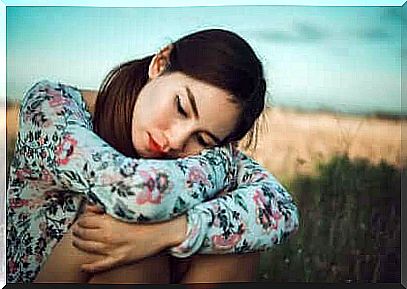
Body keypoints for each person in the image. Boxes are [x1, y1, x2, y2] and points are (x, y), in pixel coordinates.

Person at [7, 29, 299, 284]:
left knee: (235, 248)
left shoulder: (205, 157)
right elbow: (132, 191)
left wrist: (171, 233)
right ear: (160, 64)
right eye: (181, 107)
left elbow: (280, 209)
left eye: (202, 139)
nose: (174, 140)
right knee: (128, 246)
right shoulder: (51, 106)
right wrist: (223, 162)